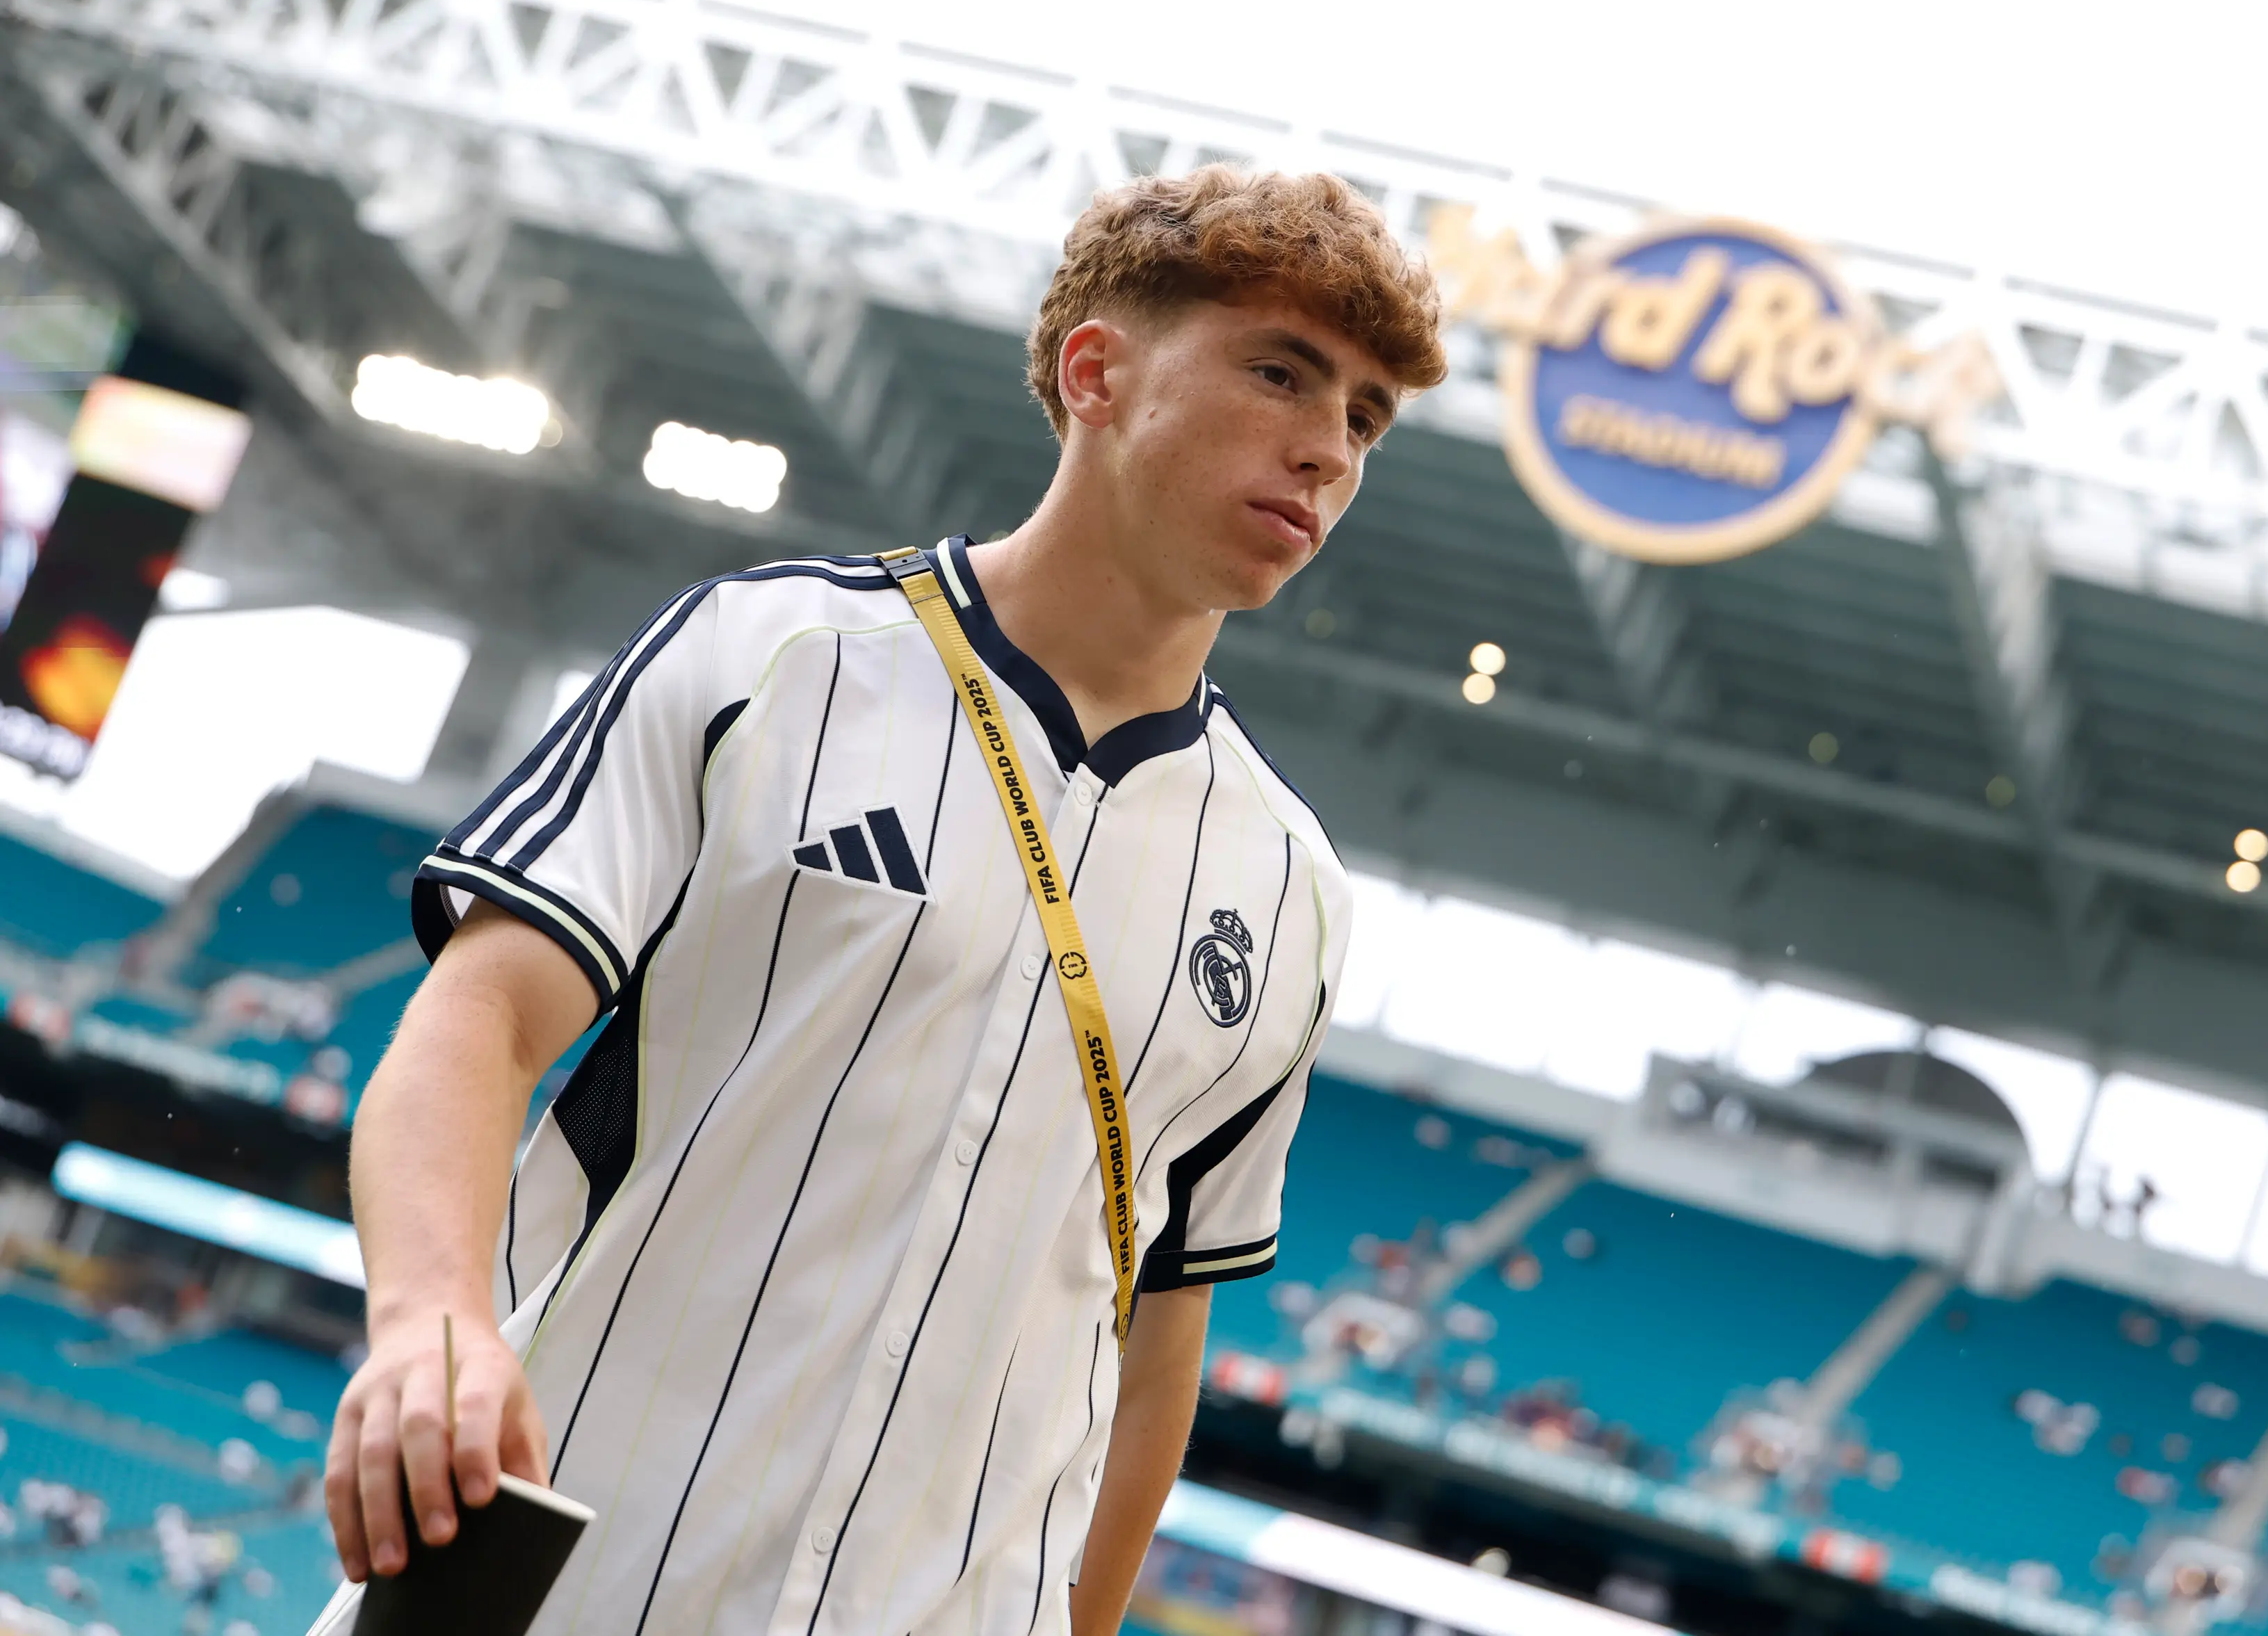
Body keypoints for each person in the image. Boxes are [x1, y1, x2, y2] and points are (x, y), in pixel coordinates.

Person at [313, 167, 1445, 1636]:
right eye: (1280, 372)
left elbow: (1161, 1331)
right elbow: (477, 1016)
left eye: (1363, 416)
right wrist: (426, 1318)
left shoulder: (1290, 891)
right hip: (555, 1588)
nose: (1325, 448)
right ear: (1095, 371)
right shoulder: (772, 654)